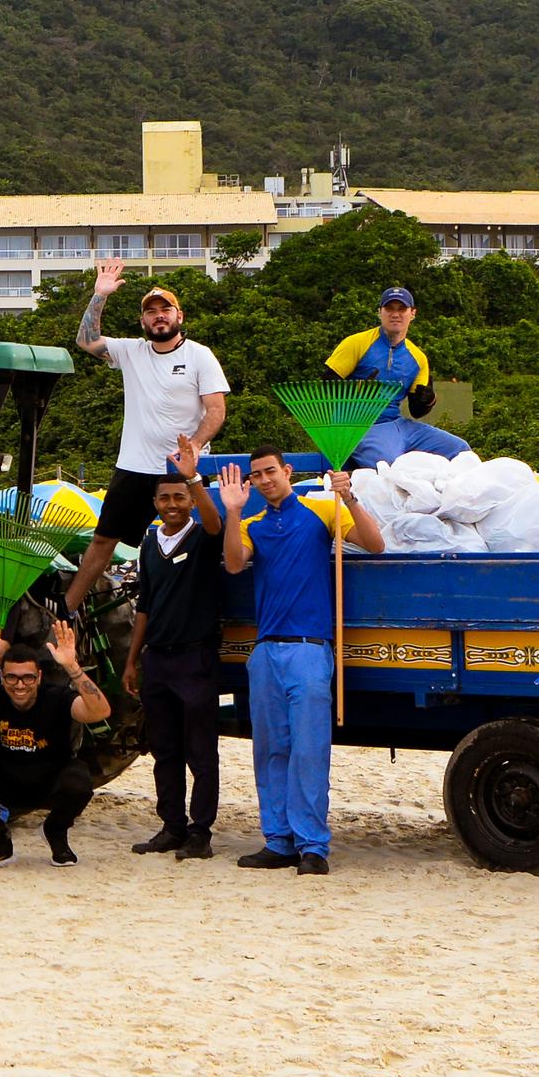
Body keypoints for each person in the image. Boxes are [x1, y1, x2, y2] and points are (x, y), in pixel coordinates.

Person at [215, 448, 384, 874]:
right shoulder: (252, 524)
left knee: (309, 751)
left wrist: (350, 498)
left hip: (311, 647)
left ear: (287, 472)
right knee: (270, 750)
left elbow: (375, 544)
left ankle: (313, 846)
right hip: (266, 650)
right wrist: (232, 511)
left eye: (270, 471)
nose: (265, 479)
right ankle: (278, 841)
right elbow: (234, 564)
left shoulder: (321, 511)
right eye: (256, 476)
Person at [67, 265, 233, 615]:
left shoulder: (199, 355)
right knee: (103, 539)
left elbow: (216, 410)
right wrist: (100, 295)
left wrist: (196, 446)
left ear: (179, 316)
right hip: (135, 464)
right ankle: (68, 612)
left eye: (165, 310)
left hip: (180, 469)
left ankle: (201, 610)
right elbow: (85, 341)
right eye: (151, 312)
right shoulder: (132, 351)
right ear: (143, 321)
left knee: (198, 539)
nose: (159, 317)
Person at [127, 462, 227, 858]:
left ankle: (200, 832)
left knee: (201, 752)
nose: (172, 504)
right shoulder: (149, 544)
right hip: (158, 662)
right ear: (155, 503)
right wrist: (133, 660)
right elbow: (144, 606)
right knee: (164, 750)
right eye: (165, 498)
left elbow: (217, 523)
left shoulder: (203, 538)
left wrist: (195, 481)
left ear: (189, 501)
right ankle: (172, 826)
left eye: (179, 498)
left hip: (195, 658)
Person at [0, 631, 111, 868]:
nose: (19, 685)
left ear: (38, 677)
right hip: (8, 781)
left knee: (79, 778)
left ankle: (55, 832)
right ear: (2, 678)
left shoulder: (57, 697)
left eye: (27, 678)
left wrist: (72, 667)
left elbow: (100, 712)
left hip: (51, 782)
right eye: (12, 678)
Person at [326, 285, 469, 463]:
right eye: (389, 309)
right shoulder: (356, 343)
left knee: (461, 450)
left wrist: (428, 400)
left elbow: (416, 411)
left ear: (412, 313)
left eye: (402, 309)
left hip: (396, 424)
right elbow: (326, 384)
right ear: (380, 312)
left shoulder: (418, 358)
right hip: (357, 426)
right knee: (390, 465)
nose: (395, 314)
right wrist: (355, 390)